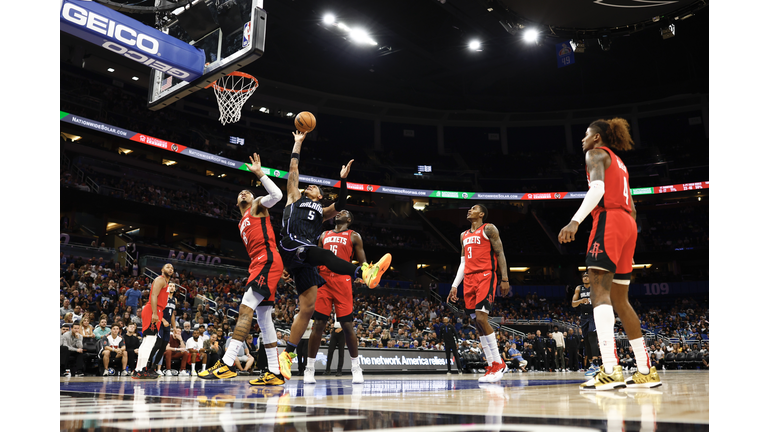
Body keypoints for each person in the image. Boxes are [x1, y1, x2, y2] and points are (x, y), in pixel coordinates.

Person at [276, 131, 391, 380]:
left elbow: (340, 203)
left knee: (305, 310)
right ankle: (363, 272)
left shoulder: (324, 211)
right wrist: (297, 143)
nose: (311, 186)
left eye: (316, 187)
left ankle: (287, 354)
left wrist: (342, 180)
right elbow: (293, 170)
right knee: (325, 256)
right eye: (311, 186)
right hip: (291, 244)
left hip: (304, 259)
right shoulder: (295, 198)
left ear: (320, 197)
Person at [558, 118, 661, 390]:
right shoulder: (619, 162)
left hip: (609, 221)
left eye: (586, 134)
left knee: (599, 291)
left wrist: (576, 220)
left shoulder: (595, 154)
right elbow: (632, 206)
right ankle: (645, 370)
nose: (582, 139)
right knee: (621, 300)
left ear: (596, 138)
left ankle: (610, 368)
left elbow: (598, 189)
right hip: (629, 223)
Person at [198, 153, 287, 386]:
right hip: (261, 263)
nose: (243, 193)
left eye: (247, 191)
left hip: (266, 261)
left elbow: (277, 195)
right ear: (237, 204)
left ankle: (227, 363)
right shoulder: (241, 221)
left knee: (245, 309)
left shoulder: (258, 205)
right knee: (264, 318)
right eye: (240, 194)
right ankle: (275, 372)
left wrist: (260, 174)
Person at [304, 210, 369, 384]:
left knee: (347, 326)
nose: (339, 213)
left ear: (349, 219)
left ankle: (356, 368)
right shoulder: (324, 234)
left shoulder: (354, 236)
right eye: (338, 211)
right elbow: (315, 258)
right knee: (318, 324)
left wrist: (363, 276)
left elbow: (363, 263)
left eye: (344, 212)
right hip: (324, 281)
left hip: (343, 281)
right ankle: (309, 369)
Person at [448, 204, 510, 383]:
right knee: (477, 322)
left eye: (473, 208)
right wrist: (454, 285)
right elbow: (463, 262)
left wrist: (504, 279)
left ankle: (499, 363)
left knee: (483, 319)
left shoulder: (489, 229)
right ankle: (491, 365)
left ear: (481, 214)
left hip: (485, 275)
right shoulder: (463, 235)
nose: (469, 210)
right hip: (468, 279)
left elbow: (500, 253)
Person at [132, 263, 175, 379]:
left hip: (157, 311)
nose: (170, 269)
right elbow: (153, 296)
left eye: (172, 268)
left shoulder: (166, 283)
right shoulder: (160, 280)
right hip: (153, 310)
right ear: (162, 270)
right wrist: (155, 313)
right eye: (167, 267)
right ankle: (141, 369)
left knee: (147, 341)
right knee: (150, 341)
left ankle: (138, 369)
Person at [572, 271, 601, 376]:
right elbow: (573, 304)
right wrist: (581, 301)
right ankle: (591, 364)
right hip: (583, 317)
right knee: (587, 340)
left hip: (593, 314)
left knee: (592, 336)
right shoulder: (579, 288)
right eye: (584, 276)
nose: (585, 278)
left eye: (587, 276)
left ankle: (596, 363)